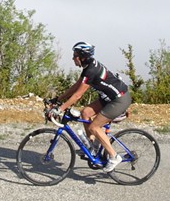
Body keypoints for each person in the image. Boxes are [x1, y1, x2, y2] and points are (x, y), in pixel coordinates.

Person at [54, 41, 132, 173]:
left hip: (119, 100)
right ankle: (94, 147)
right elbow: (76, 86)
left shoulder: (91, 70)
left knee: (94, 127)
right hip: (108, 98)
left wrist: (60, 109)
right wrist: (58, 99)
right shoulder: (88, 67)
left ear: (83, 56)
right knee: (85, 113)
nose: (73, 58)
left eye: (75, 55)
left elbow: (78, 95)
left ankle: (114, 156)